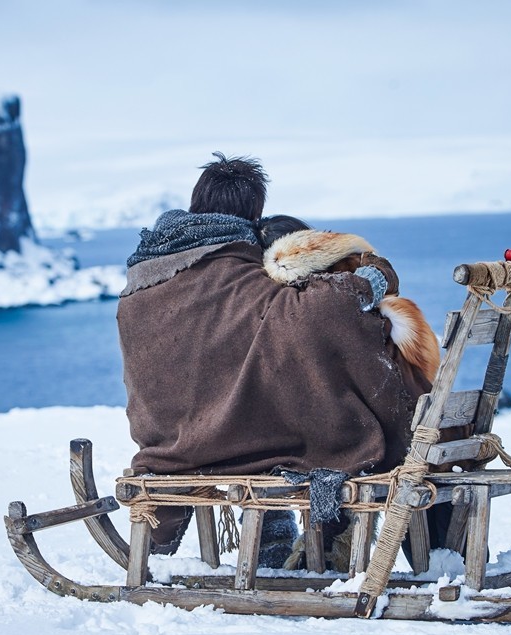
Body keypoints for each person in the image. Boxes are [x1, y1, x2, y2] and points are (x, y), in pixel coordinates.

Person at [117, 152, 434, 565]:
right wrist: (376, 276)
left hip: (167, 441)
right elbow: (323, 308)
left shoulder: (141, 285)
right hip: (236, 441)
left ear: (196, 204)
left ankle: (274, 532)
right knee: (318, 412)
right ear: (255, 212)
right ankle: (322, 539)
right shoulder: (238, 274)